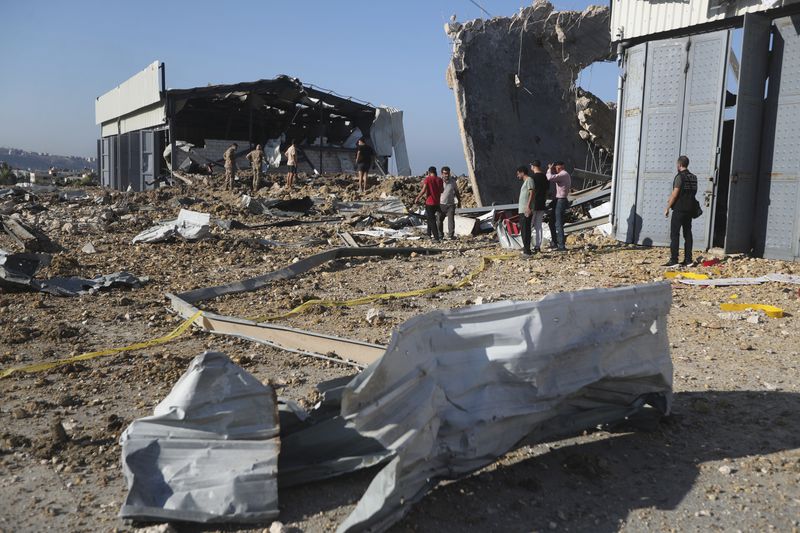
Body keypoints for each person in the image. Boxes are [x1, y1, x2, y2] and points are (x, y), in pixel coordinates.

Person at [664, 155, 698, 267]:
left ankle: (674, 260)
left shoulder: (679, 177)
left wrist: (668, 207)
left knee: (675, 234)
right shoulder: (694, 177)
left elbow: (675, 193)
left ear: (679, 165)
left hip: (679, 209)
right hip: (690, 209)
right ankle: (688, 260)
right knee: (688, 234)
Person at [546, 160, 571, 251]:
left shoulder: (563, 174)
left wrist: (549, 169)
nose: (555, 169)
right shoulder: (564, 174)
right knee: (552, 222)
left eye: (555, 168)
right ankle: (555, 242)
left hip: (561, 200)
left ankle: (561, 245)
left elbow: (550, 178)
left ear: (558, 167)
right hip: (558, 200)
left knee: (558, 223)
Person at [414, 166, 444, 242]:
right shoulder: (440, 179)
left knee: (432, 220)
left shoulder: (427, 179)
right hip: (437, 202)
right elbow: (442, 190)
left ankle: (436, 238)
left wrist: (417, 198)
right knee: (429, 218)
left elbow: (423, 190)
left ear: (429, 172)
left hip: (429, 202)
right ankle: (428, 234)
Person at [530, 160, 549, 253]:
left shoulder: (532, 178)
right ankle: (538, 246)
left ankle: (527, 245)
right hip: (541, 204)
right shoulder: (544, 177)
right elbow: (547, 190)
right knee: (538, 226)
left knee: (529, 225)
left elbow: (530, 192)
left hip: (533, 204)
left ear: (533, 166)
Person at [437, 166, 461, 240]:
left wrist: (459, 201)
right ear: (442, 174)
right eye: (445, 173)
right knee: (439, 220)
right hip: (441, 204)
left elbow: (456, 191)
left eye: (448, 173)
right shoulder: (439, 181)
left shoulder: (453, 182)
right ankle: (440, 235)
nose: (446, 175)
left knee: (451, 221)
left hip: (451, 204)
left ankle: (451, 235)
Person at [517, 166, 535, 255]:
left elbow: (532, 193)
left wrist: (528, 206)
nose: (517, 176)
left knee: (526, 231)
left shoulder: (529, 180)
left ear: (522, 172)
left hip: (526, 210)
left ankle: (527, 251)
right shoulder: (525, 182)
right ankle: (526, 249)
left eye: (518, 173)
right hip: (522, 210)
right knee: (524, 231)